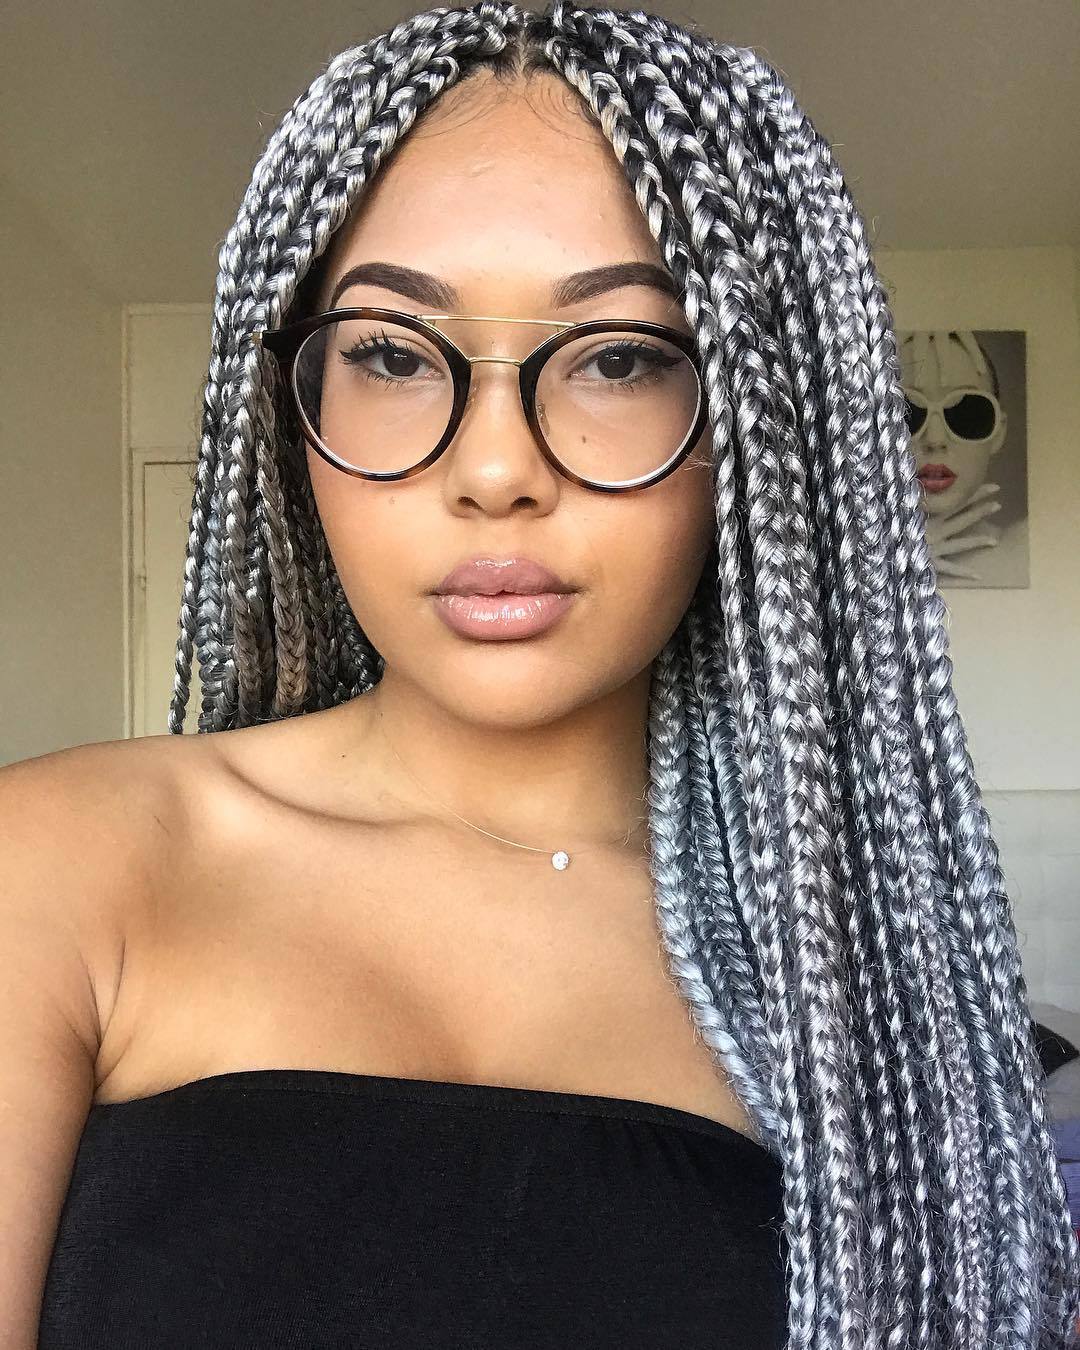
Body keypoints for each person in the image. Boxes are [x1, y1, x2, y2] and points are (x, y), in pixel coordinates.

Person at [3, 3, 1077, 1347]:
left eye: (620, 358)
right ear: (293, 412)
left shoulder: (859, 985)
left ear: (751, 426)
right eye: (394, 354)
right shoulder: (59, 865)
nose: (497, 467)